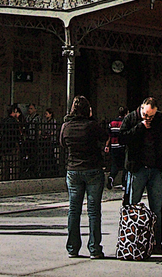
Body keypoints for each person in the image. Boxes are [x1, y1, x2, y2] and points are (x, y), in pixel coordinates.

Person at [119, 96, 162, 254]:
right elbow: (122, 138)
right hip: (137, 168)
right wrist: (140, 126)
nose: (148, 118)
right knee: (132, 206)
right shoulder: (131, 118)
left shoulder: (161, 119)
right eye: (146, 115)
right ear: (141, 108)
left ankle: (157, 244)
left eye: (151, 116)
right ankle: (131, 242)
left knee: (157, 208)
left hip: (156, 169)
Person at [59, 95, 109, 259]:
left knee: (74, 210)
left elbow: (62, 143)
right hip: (92, 169)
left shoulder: (66, 126)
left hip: (73, 170)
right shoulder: (91, 126)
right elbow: (104, 136)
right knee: (93, 211)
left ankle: (72, 248)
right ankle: (94, 248)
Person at [106, 106, 127, 190]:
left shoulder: (112, 123)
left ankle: (111, 177)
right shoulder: (125, 123)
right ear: (126, 113)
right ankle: (124, 183)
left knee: (115, 164)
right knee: (125, 165)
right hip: (122, 146)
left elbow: (109, 136)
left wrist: (107, 145)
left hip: (113, 146)